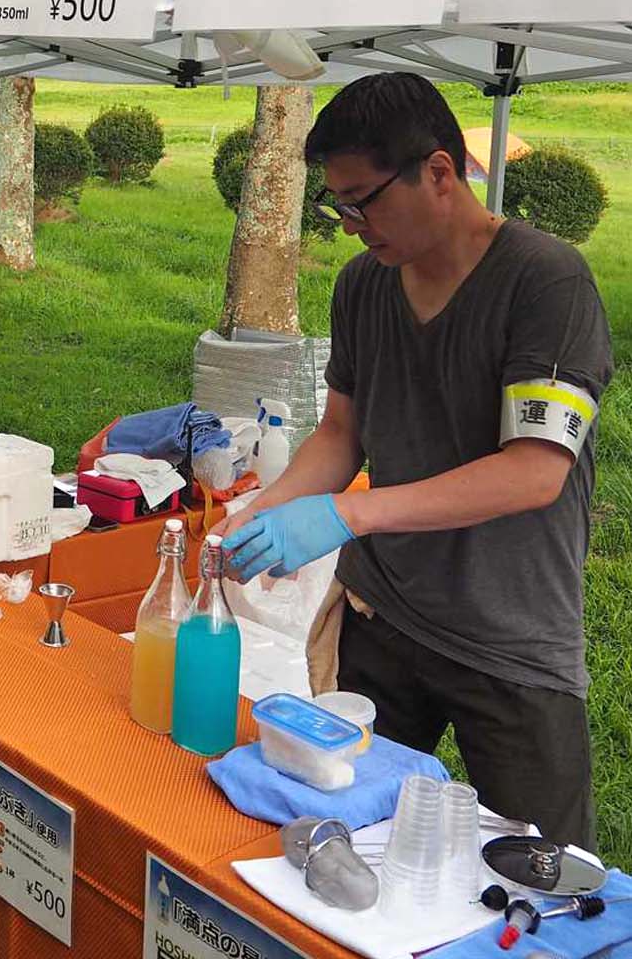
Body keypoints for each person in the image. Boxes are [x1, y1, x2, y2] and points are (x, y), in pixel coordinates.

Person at [214, 72, 612, 849]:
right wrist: (261, 511)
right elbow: (340, 435)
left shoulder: (544, 282)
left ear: (437, 172)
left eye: (361, 201)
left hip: (508, 633)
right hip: (382, 613)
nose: (350, 226)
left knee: (541, 868)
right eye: (336, 205)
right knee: (347, 831)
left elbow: (534, 470)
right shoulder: (363, 286)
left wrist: (345, 514)